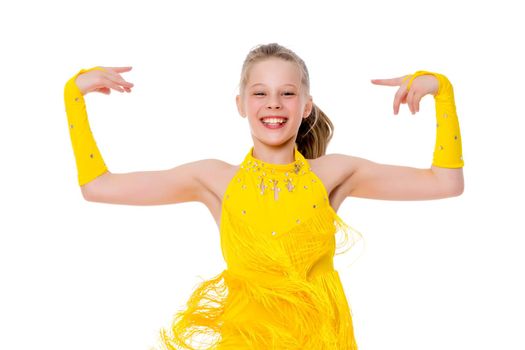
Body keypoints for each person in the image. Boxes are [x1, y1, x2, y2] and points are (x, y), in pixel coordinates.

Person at [64, 43, 464, 349]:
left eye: (287, 93)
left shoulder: (333, 174)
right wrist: (74, 98)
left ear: (306, 106)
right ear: (241, 104)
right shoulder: (214, 178)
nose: (274, 102)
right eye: (260, 93)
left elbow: (445, 183)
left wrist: (442, 92)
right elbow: (98, 186)